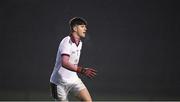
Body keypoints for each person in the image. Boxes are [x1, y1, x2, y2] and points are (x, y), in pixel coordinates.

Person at [50, 17, 97, 101]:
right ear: (75, 28)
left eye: (85, 27)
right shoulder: (67, 41)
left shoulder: (80, 43)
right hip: (59, 83)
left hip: (73, 80)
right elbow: (64, 63)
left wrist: (80, 70)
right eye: (82, 26)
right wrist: (82, 70)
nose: (85, 29)